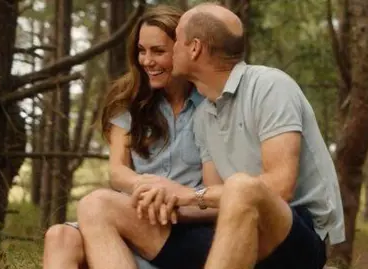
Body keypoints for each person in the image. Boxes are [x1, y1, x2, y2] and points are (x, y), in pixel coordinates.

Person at [133, 2, 346, 269]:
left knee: (242, 186)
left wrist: (187, 194)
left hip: (298, 235)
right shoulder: (204, 116)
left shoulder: (270, 86)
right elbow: (209, 202)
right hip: (238, 230)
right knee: (103, 204)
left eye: (177, 41)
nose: (172, 47)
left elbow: (280, 186)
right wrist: (166, 200)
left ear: (195, 48)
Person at [43, 5, 216, 269]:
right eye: (141, 50)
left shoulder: (210, 105)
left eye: (158, 51)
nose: (147, 61)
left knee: (96, 203)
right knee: (59, 236)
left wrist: (172, 197)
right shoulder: (129, 100)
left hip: (187, 220)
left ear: (183, 51)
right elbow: (117, 171)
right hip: (137, 211)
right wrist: (149, 189)